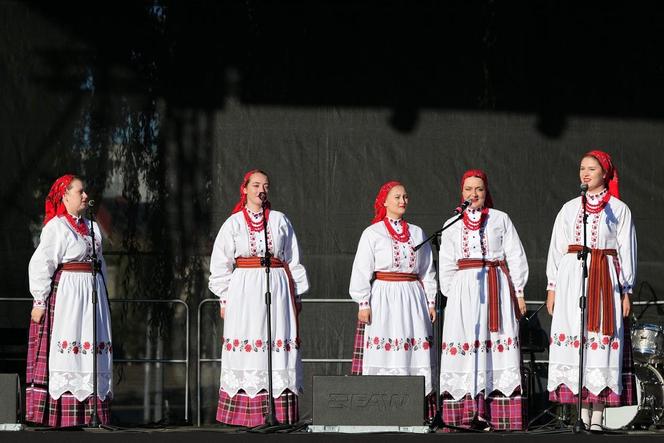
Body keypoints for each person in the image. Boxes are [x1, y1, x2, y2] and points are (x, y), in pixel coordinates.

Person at [209, 169, 309, 427]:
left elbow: (292, 259)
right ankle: (248, 414)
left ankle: (278, 413)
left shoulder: (279, 220)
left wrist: (296, 293)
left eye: (265, 185)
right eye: (255, 185)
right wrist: (224, 298)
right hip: (245, 290)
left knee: (275, 341)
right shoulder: (233, 224)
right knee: (250, 340)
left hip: (276, 286)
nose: (261, 190)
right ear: (244, 189)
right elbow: (221, 265)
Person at [546, 150, 636, 431]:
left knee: (600, 337)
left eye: (592, 169)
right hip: (573, 276)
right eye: (582, 168)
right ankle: (580, 413)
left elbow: (626, 252)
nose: (585, 173)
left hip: (604, 278)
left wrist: (626, 291)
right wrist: (553, 287)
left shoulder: (618, 209)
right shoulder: (570, 208)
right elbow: (556, 249)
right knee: (576, 337)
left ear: (605, 174)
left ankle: (597, 414)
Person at [438, 169, 528, 431]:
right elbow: (446, 262)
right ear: (461, 192)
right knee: (465, 347)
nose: (473, 194)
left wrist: (518, 292)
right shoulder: (452, 223)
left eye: (478, 189)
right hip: (464, 289)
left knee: (495, 345)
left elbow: (516, 256)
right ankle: (465, 414)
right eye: (468, 189)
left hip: (495, 287)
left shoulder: (500, 219)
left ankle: (496, 414)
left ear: (486, 192)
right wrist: (453, 295)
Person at [26, 174, 113, 427]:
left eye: (85, 192)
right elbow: (41, 264)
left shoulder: (93, 228)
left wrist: (104, 294)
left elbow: (101, 264)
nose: (86, 196)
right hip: (69, 298)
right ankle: (65, 414)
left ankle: (93, 413)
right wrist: (39, 302)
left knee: (92, 349)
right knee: (71, 349)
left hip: (93, 296)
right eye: (80, 192)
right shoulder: (57, 227)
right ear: (65, 196)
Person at [349, 181, 437, 418]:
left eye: (405, 196)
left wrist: (430, 302)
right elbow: (361, 270)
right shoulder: (373, 233)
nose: (402, 201)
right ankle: (380, 408)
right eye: (397, 196)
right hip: (384, 296)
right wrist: (363, 303)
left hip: (412, 297)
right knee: (385, 348)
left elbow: (427, 270)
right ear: (384, 201)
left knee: (412, 349)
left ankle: (414, 409)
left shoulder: (417, 233)